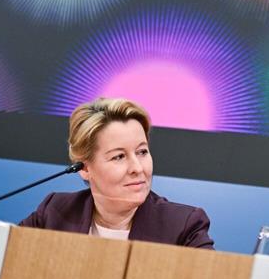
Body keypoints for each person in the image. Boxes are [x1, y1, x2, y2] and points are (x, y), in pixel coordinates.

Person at [19, 97, 214, 248]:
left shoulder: (183, 226)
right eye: (119, 157)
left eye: (142, 152)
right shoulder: (55, 212)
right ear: (85, 168)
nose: (138, 168)